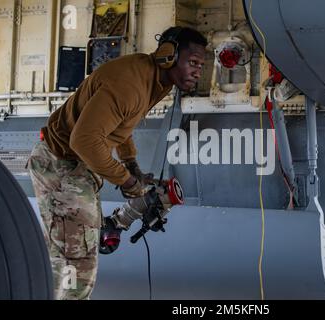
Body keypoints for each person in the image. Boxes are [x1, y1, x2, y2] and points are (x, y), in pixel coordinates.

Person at [27, 26, 207, 300]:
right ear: (168, 55)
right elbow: (84, 141)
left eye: (201, 66)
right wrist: (127, 181)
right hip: (61, 164)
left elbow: (122, 125)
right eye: (193, 62)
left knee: (69, 247)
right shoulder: (131, 84)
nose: (198, 71)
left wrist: (131, 164)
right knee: (76, 260)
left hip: (74, 167)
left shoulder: (153, 80)